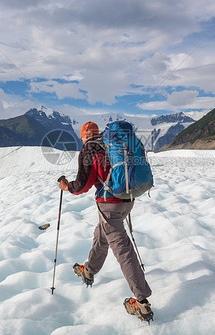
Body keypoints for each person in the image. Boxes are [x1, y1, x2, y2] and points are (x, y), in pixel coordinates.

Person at [58, 121, 153, 322]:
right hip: (127, 199)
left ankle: (142, 302)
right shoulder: (110, 144)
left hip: (109, 204)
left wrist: (67, 187)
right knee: (102, 233)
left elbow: (83, 184)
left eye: (82, 137)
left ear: (84, 136)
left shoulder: (89, 149)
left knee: (122, 249)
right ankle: (89, 270)